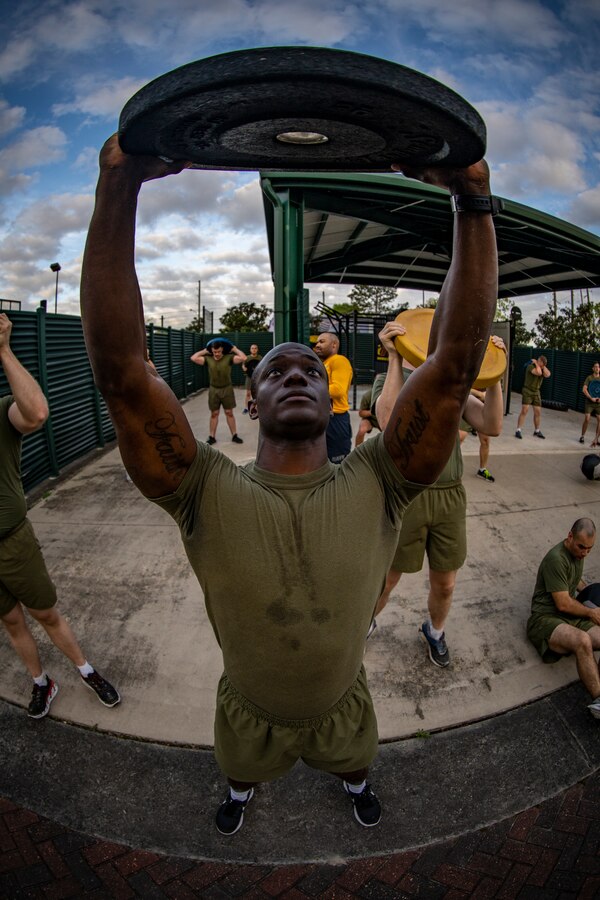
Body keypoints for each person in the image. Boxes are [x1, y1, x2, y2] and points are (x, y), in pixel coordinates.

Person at [80, 133, 499, 835]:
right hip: (249, 711)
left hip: (344, 705)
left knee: (355, 764)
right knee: (241, 769)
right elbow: (123, 376)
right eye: (275, 370)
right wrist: (118, 185)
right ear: (252, 401)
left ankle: (356, 783)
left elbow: (455, 364)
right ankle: (241, 792)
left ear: (330, 389)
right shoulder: (200, 488)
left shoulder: (382, 477)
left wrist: (471, 199)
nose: (298, 372)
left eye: (309, 365)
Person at [0, 313, 120, 719]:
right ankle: (41, 682)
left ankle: (86, 671)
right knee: (12, 622)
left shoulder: (3, 413)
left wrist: (3, 348)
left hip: (10, 541)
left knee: (45, 613)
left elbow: (34, 414)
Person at [370, 329, 505, 666]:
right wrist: (395, 356)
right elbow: (388, 421)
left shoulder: (453, 387)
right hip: (407, 497)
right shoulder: (391, 377)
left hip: (448, 499)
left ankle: (434, 630)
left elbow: (492, 424)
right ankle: (363, 623)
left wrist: (495, 373)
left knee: (445, 583)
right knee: (388, 578)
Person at [526, 518, 600, 720]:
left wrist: (590, 593)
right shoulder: (556, 558)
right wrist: (591, 612)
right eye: (582, 547)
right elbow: (563, 604)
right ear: (570, 537)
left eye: (589, 549)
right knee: (582, 641)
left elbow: (573, 580)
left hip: (568, 617)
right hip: (545, 619)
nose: (585, 552)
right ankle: (599, 701)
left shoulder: (579, 552)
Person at [190, 340, 246, 444]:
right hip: (214, 389)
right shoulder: (208, 359)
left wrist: (234, 349)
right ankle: (212, 437)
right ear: (211, 351)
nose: (217, 354)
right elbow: (193, 358)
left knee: (229, 413)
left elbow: (243, 358)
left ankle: (234, 435)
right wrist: (204, 351)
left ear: (222, 350)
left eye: (219, 351)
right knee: (214, 414)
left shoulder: (228, 358)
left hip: (227, 389)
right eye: (215, 352)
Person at [313, 331, 353, 463]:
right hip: (322, 418)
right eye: (317, 342)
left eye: (322, 341)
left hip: (336, 420)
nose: (317, 344)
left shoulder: (339, 361)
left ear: (334, 345)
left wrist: (308, 389)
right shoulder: (324, 364)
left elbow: (338, 390)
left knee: (337, 465)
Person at [515, 355, 551, 439]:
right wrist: (536, 364)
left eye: (544, 364)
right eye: (542, 363)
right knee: (524, 410)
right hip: (527, 390)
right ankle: (518, 430)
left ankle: (537, 431)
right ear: (539, 362)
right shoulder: (530, 366)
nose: (543, 366)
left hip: (536, 392)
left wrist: (542, 366)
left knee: (538, 412)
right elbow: (538, 372)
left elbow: (548, 374)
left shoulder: (542, 368)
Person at [581, 362, 600, 444]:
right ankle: (582, 436)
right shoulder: (589, 378)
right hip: (589, 402)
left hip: (598, 403)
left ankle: (597, 439)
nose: (597, 368)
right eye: (595, 367)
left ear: (599, 369)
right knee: (587, 418)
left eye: (598, 367)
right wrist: (591, 398)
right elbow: (584, 389)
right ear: (593, 368)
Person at [241, 343, 262, 414]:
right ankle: (246, 408)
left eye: (255, 348)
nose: (254, 350)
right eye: (252, 348)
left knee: (257, 393)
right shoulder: (247, 358)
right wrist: (244, 368)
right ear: (250, 350)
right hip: (249, 377)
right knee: (248, 393)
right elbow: (243, 366)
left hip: (258, 378)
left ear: (257, 349)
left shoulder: (260, 358)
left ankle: (256, 408)